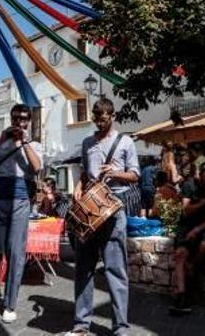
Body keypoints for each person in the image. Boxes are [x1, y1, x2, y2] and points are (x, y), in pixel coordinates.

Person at [67, 98, 139, 336]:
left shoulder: (126, 142)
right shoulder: (87, 142)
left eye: (103, 119)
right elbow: (86, 175)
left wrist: (116, 172)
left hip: (113, 210)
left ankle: (120, 327)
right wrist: (78, 186)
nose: (98, 123)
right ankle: (81, 324)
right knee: (83, 268)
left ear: (113, 115)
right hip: (90, 211)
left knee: (115, 269)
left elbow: (135, 175)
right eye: (96, 119)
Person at [0, 104, 43, 324]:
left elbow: (37, 167)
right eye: (15, 118)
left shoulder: (33, 144)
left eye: (23, 118)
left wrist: (24, 142)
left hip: (20, 200)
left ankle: (10, 303)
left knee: (16, 252)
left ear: (29, 121)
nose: (19, 122)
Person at [170, 163, 205, 314]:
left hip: (204, 227)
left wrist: (197, 230)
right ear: (200, 175)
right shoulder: (189, 186)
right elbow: (186, 211)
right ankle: (181, 294)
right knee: (180, 254)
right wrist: (204, 202)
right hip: (186, 226)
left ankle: (192, 267)